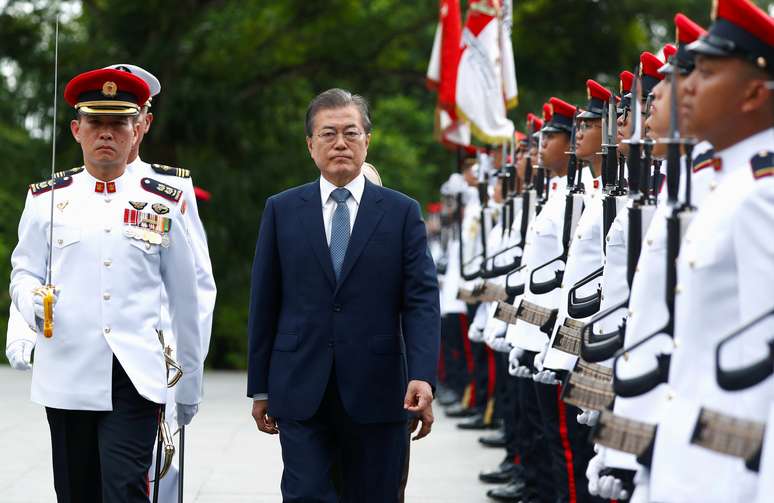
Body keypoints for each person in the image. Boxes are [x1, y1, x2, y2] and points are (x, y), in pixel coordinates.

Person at [9, 68, 203, 502]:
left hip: (135, 375)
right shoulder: (48, 199)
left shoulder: (163, 201)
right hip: (68, 371)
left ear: (137, 130)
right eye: (96, 123)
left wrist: (189, 383)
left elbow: (186, 299)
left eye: (119, 123)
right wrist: (29, 303)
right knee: (76, 490)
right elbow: (23, 271)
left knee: (124, 488)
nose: (107, 134)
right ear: (77, 130)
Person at [246, 88, 440, 502]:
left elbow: (421, 300)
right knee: (307, 494)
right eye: (328, 133)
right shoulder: (281, 210)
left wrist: (422, 374)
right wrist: (260, 387)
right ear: (310, 144)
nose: (340, 143)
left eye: (351, 133)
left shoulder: (401, 212)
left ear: (367, 141)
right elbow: (265, 301)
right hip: (300, 387)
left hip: (380, 390)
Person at [648, 0, 774, 500]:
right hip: (690, 460)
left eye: (708, 71)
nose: (688, 87)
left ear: (753, 93)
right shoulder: (728, 186)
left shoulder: (761, 196)